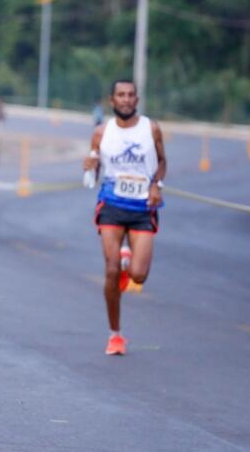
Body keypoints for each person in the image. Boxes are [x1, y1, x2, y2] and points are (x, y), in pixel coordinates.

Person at [83, 79, 166, 356]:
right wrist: (89, 168)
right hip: (112, 205)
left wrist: (157, 185)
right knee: (110, 270)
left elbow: (162, 162)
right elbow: (91, 178)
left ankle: (128, 258)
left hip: (142, 207)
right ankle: (115, 335)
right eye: (121, 95)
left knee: (139, 277)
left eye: (131, 95)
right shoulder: (101, 132)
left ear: (137, 100)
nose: (126, 99)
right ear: (112, 100)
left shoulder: (150, 128)